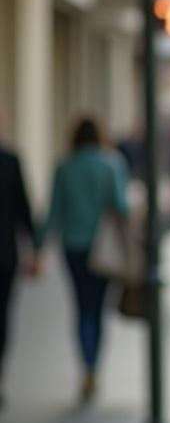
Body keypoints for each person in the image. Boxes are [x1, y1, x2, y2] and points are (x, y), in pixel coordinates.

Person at [35, 114, 130, 403]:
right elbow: (122, 206)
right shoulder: (112, 164)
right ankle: (94, 365)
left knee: (82, 307)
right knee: (98, 309)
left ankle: (86, 365)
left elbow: (53, 212)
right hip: (104, 249)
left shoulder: (64, 168)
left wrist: (39, 249)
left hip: (74, 246)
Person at [0, 119, 38, 408]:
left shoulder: (12, 161)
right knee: (2, 318)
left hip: (6, 256)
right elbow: (24, 211)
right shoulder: (10, 161)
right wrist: (35, 249)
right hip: (5, 255)